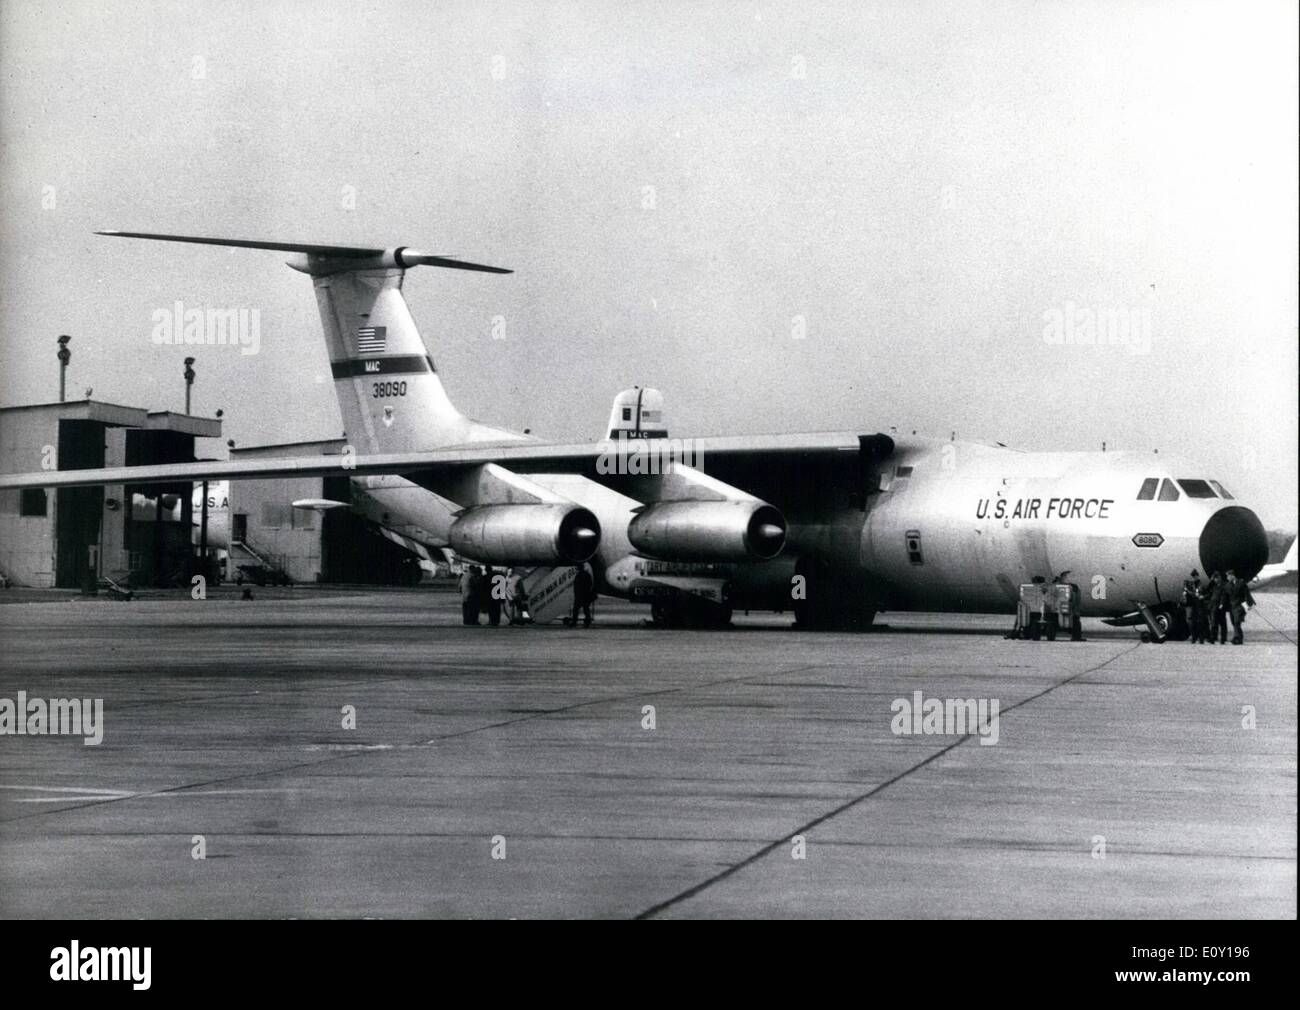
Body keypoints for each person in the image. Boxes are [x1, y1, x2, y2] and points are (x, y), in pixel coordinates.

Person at [1224, 569, 1256, 645]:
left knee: (1237, 622)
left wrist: (1249, 604)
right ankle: (1240, 638)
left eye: (1228, 576)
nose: (1227, 578)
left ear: (1232, 575)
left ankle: (1236, 638)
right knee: (1234, 622)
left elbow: (1246, 594)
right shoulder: (1228, 585)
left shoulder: (1241, 583)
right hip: (1231, 607)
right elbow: (1225, 596)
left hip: (1239, 606)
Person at [1203, 571, 1228, 645]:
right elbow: (1209, 592)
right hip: (1213, 606)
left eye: (1216, 578)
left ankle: (1223, 639)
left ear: (1219, 578)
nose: (1215, 580)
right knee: (1214, 623)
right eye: (1214, 579)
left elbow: (1224, 595)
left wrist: (1222, 604)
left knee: (1222, 623)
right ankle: (1213, 638)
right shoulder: (1215, 586)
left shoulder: (1223, 585)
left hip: (1220, 607)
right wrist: (1211, 581)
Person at [1181, 570, 1205, 644]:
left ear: (1197, 576)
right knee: (1191, 621)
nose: (1194, 577)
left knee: (1199, 622)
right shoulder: (1190, 584)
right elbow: (1184, 593)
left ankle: (1200, 638)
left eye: (1195, 576)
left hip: (1198, 605)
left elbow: (1196, 594)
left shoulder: (1200, 584)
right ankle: (1194, 637)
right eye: (1193, 576)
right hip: (1191, 605)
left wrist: (1187, 591)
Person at [570, 564, 595, 628]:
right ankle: (587, 622)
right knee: (586, 609)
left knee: (576, 609)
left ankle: (574, 622)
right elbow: (590, 584)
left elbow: (577, 586)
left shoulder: (579, 575)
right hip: (585, 594)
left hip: (580, 595)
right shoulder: (586, 575)